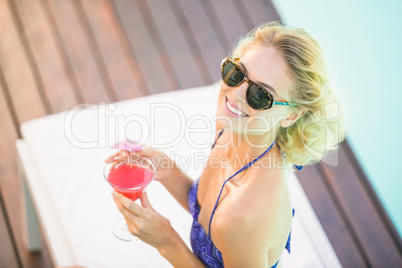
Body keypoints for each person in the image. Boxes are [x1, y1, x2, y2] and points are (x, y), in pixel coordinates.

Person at [105, 21, 344, 268]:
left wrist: (166, 242)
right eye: (237, 73)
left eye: (261, 94)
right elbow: (206, 213)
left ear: (292, 116)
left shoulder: (243, 215)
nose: (235, 94)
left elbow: (226, 224)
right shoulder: (230, 131)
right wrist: (165, 169)